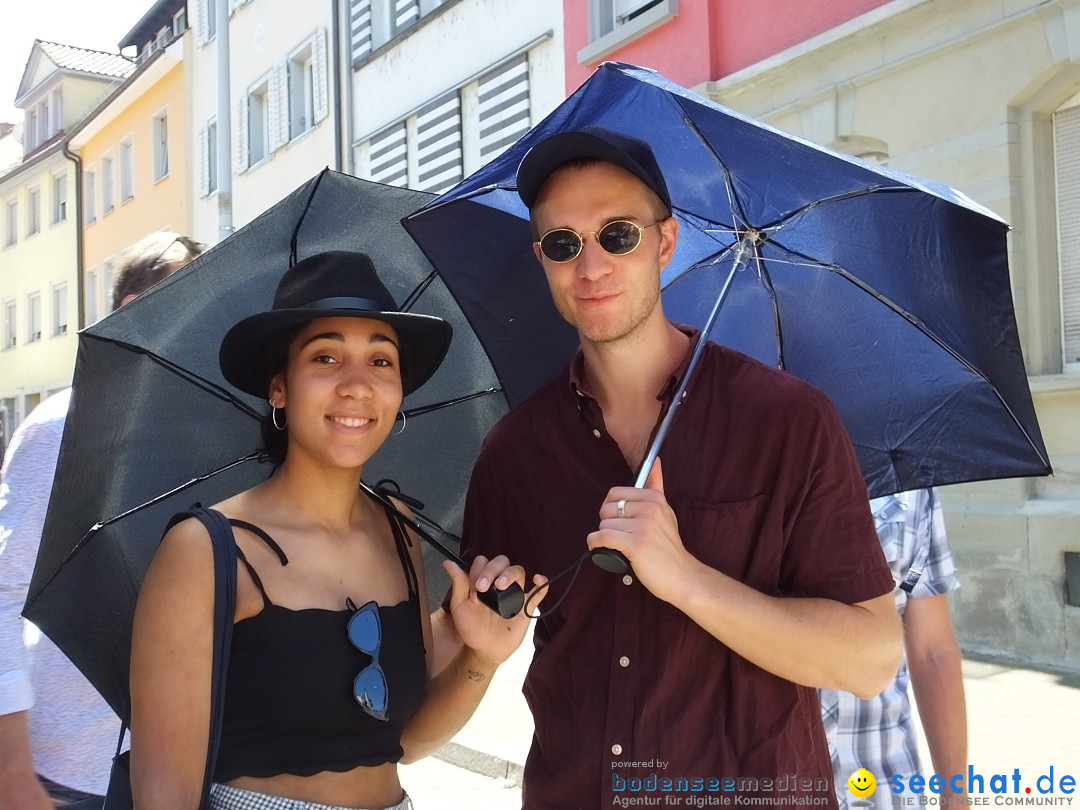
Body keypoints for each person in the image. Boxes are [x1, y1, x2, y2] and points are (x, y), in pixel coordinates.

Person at [448, 126, 904, 810]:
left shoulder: (788, 419)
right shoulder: (513, 449)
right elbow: (478, 641)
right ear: (542, 258)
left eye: (619, 235)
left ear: (664, 243)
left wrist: (686, 578)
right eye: (564, 244)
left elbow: (869, 660)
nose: (591, 266)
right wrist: (484, 644)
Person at [129, 250, 541, 810]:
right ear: (279, 388)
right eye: (325, 357)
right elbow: (164, 796)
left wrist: (482, 658)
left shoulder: (398, 527)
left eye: (381, 361)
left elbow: (402, 742)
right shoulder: (207, 550)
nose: (357, 385)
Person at [0, 231, 206, 809]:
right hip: (72, 772)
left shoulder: (226, 437)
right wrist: (12, 774)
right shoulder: (62, 428)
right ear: (126, 315)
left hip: (192, 769)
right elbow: (2, 593)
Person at [820, 488, 967, 807]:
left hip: (886, 778)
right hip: (767, 780)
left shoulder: (910, 481)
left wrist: (956, 799)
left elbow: (933, 650)